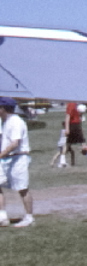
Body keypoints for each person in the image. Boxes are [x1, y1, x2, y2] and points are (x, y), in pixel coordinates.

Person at [0, 97, 35, 227]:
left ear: (3, 108)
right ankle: (2, 217)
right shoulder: (6, 121)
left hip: (18, 157)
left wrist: (1, 154)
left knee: (22, 187)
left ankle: (29, 217)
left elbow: (15, 143)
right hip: (7, 158)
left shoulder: (15, 121)